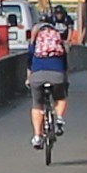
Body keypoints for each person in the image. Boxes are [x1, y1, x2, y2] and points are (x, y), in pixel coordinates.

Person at [26, 11, 68, 149]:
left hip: (37, 75)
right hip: (57, 74)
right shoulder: (58, 41)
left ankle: (37, 136)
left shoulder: (35, 42)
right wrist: (64, 78)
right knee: (60, 98)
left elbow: (29, 61)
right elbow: (65, 62)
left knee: (37, 104)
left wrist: (28, 78)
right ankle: (60, 119)